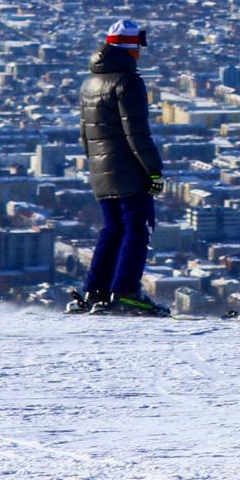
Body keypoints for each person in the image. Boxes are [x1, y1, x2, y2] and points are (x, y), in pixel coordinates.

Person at [74, 19, 168, 316]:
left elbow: (84, 134)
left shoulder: (90, 81)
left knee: (112, 229)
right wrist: (153, 171)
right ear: (131, 47)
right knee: (137, 229)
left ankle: (95, 290)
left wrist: (96, 164)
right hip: (128, 169)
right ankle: (125, 291)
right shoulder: (127, 81)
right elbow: (137, 134)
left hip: (101, 170)